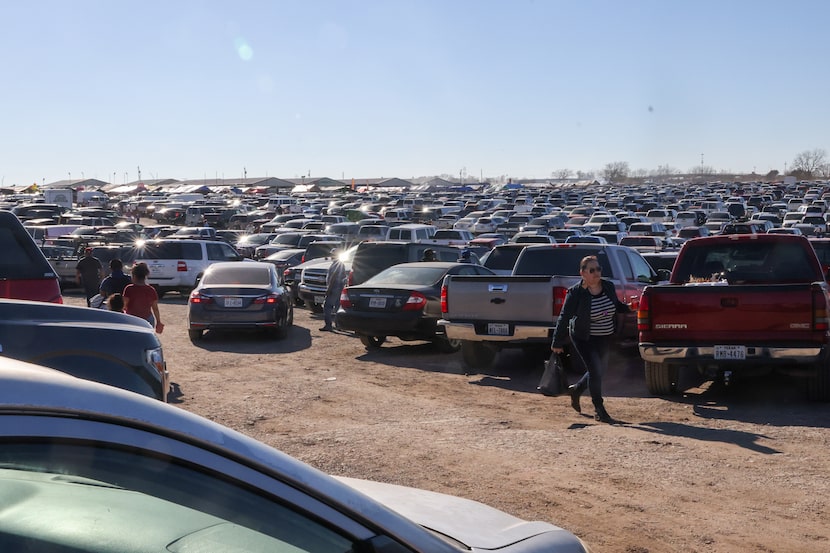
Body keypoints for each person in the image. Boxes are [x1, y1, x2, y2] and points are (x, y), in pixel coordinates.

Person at [550, 255, 632, 423]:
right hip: (583, 337)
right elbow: (564, 317)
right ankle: (599, 410)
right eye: (592, 270)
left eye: (598, 269)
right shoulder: (576, 292)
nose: (596, 273)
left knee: (600, 370)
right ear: (583, 273)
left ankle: (576, 390)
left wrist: (628, 308)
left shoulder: (608, 286)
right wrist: (557, 342)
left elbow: (614, 305)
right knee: (595, 370)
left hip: (604, 335)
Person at [122, 262, 164, 333]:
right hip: (147, 319)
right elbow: (155, 308)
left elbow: (124, 305)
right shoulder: (151, 290)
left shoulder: (129, 289)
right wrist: (158, 322)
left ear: (134, 276)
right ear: (145, 275)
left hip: (131, 318)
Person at [320, 249, 346, 332]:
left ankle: (328, 325)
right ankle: (339, 325)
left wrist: (329, 288)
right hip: (339, 288)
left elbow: (333, 277)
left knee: (327, 306)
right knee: (338, 306)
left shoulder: (337, 264)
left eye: (332, 255)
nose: (331, 256)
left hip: (334, 287)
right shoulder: (340, 264)